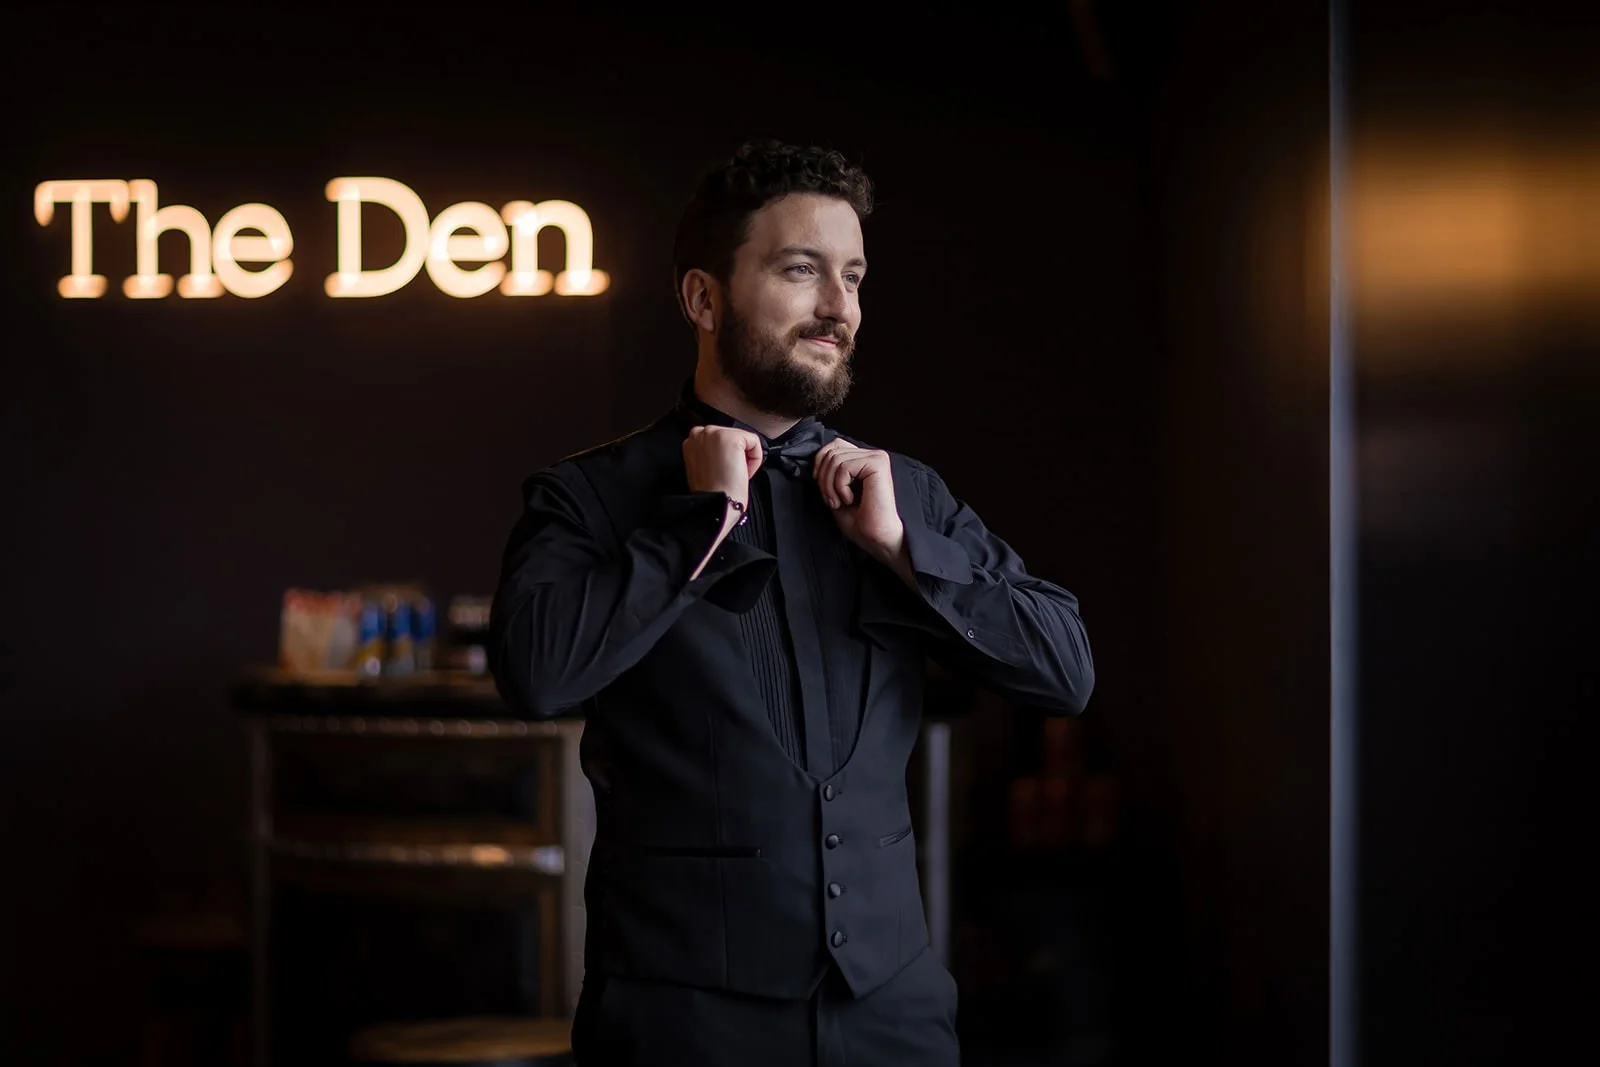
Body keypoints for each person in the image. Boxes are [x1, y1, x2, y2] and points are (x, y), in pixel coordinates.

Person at [489, 139, 1094, 1067]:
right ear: (703, 297)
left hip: (896, 1018)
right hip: (681, 1025)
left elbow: (1066, 671)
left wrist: (902, 551)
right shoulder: (591, 498)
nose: (839, 307)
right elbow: (535, 674)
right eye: (801, 270)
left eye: (853, 276)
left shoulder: (906, 496)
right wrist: (696, 525)